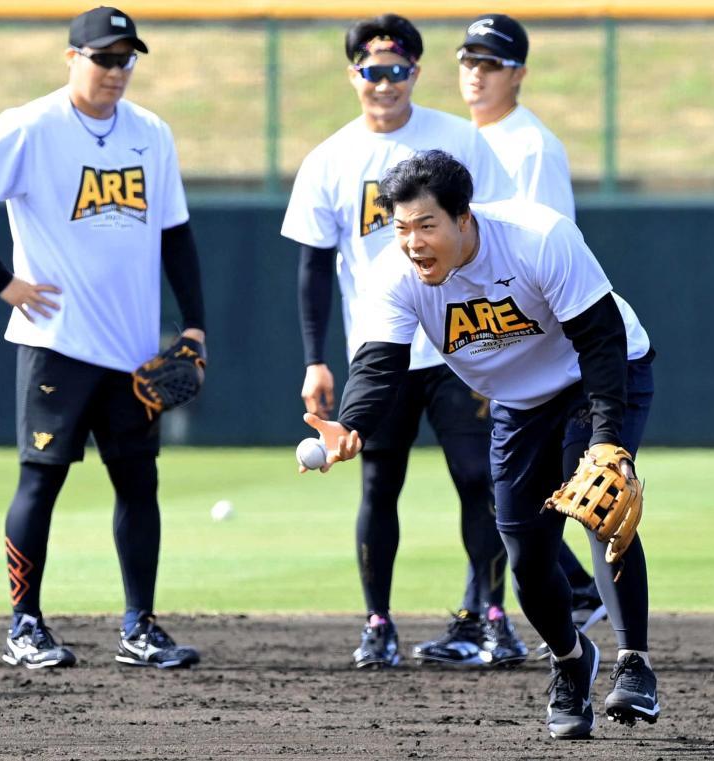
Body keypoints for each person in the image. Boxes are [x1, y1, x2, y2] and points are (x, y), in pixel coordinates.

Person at [303, 150, 660, 738]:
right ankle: (572, 661)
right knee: (524, 553)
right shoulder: (394, 276)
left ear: (464, 218)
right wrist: (351, 423)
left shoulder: (537, 238)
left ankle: (634, 664)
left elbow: (600, 342)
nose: (413, 242)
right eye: (400, 227)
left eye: (426, 225)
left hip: (596, 374)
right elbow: (379, 364)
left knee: (601, 502)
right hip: (518, 405)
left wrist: (605, 442)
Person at [0, 6, 205, 670]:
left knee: (138, 483)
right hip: (55, 339)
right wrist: (1, 280)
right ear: (72, 58)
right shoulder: (31, 126)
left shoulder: (152, 133)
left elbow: (174, 232)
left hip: (134, 347)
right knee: (41, 480)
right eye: (105, 58)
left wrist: (195, 321)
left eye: (127, 59)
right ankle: (24, 625)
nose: (117, 71)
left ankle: (140, 625)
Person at [281, 13, 527, 669]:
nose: (383, 83)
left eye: (396, 71)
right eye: (371, 71)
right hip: (380, 348)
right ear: (353, 75)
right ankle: (378, 622)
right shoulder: (330, 158)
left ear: (415, 73)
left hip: (459, 345)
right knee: (377, 484)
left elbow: (497, 227)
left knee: (481, 479)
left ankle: (494, 617)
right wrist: (314, 358)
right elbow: (312, 266)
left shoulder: (456, 140)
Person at [456, 13, 655, 650]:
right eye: (469, 60)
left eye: (491, 62)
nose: (477, 73)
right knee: (507, 497)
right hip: (505, 342)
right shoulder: (464, 140)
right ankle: (502, 605)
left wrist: (511, 346)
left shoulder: (530, 145)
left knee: (587, 492)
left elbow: (545, 249)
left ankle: (574, 601)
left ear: (518, 73)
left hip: (550, 345)